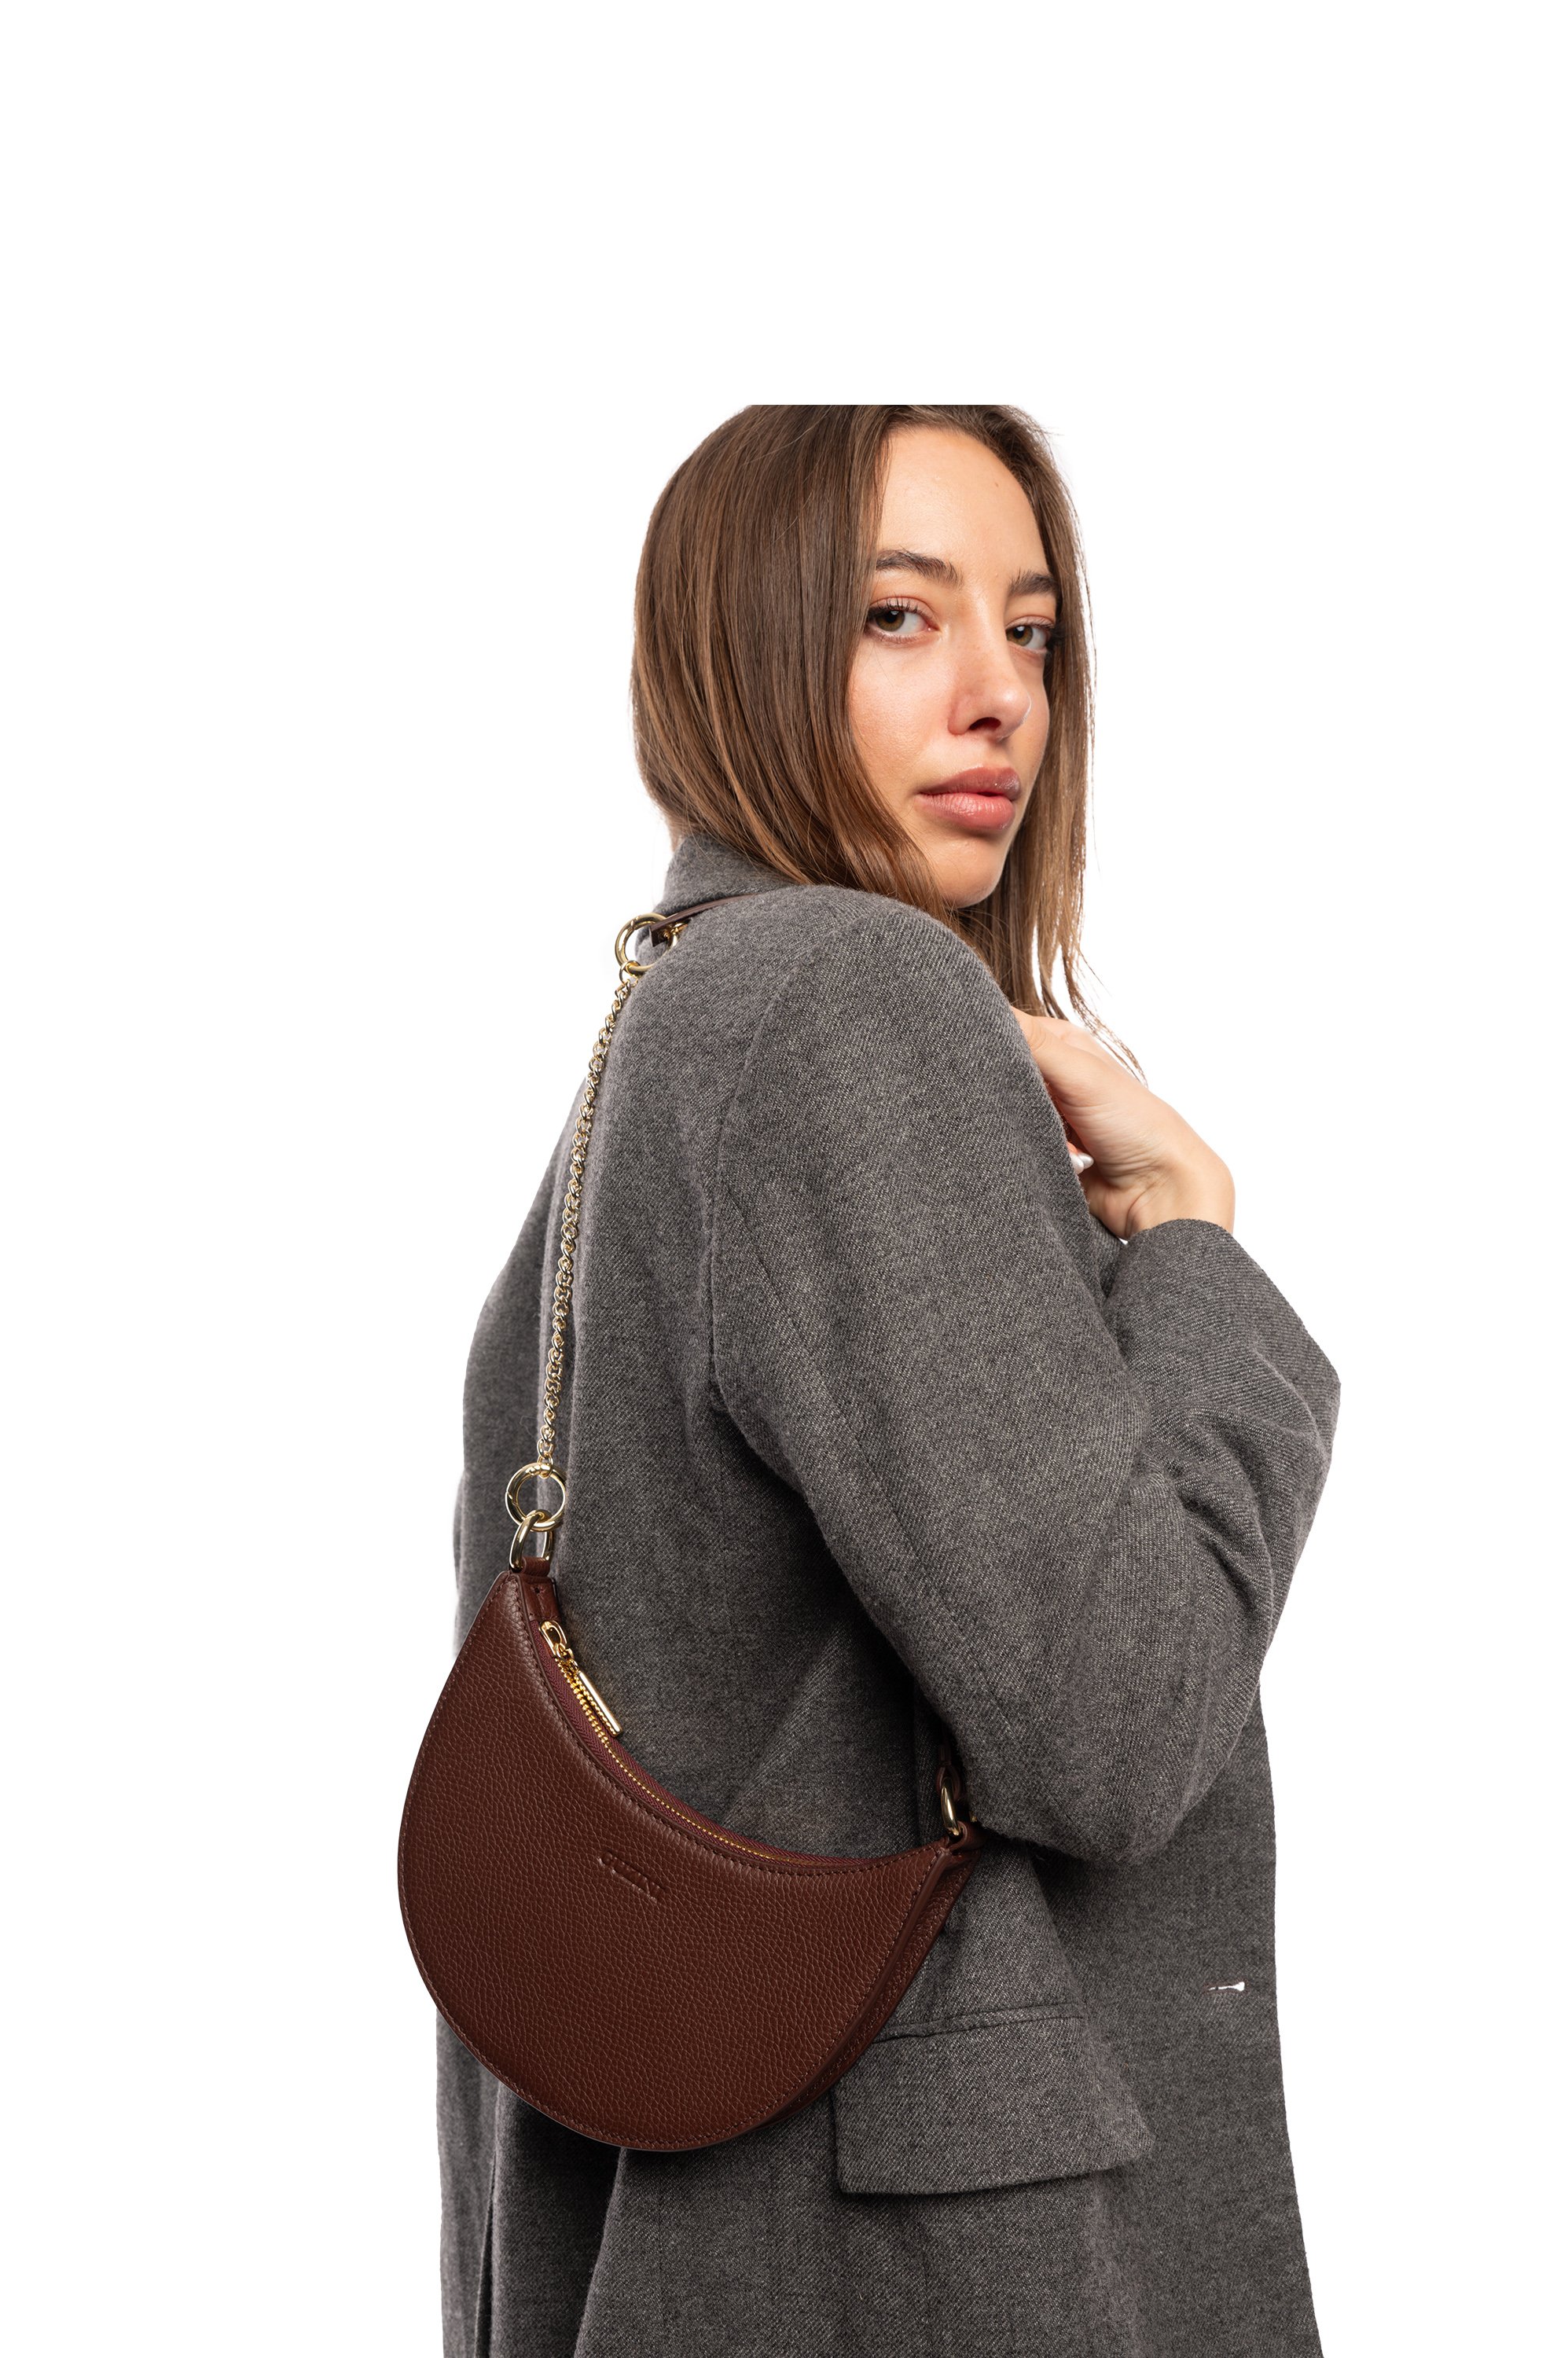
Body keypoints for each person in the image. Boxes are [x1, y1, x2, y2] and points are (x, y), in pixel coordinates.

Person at [435, 405, 1339, 2356]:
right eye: (897, 616)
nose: (998, 695)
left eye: (1032, 631)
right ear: (742, 652)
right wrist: (1192, 1241)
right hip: (912, 2267)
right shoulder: (848, 997)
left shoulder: (670, 1028)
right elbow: (1115, 1729)